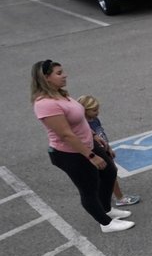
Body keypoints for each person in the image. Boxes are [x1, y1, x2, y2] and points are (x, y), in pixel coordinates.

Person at [31, 60, 134, 232]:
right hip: (71, 153)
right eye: (59, 73)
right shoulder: (45, 104)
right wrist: (91, 156)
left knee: (109, 172)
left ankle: (107, 209)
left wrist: (94, 135)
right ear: (45, 78)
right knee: (89, 188)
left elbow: (79, 121)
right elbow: (66, 134)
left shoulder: (60, 94)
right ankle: (106, 223)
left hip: (88, 143)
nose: (64, 75)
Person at [77, 93, 139, 206]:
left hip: (103, 150)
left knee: (107, 174)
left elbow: (102, 135)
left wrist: (108, 148)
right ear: (84, 111)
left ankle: (104, 195)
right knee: (110, 173)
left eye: (97, 109)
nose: (97, 112)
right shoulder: (83, 125)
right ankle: (119, 198)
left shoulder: (95, 120)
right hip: (95, 152)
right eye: (94, 110)